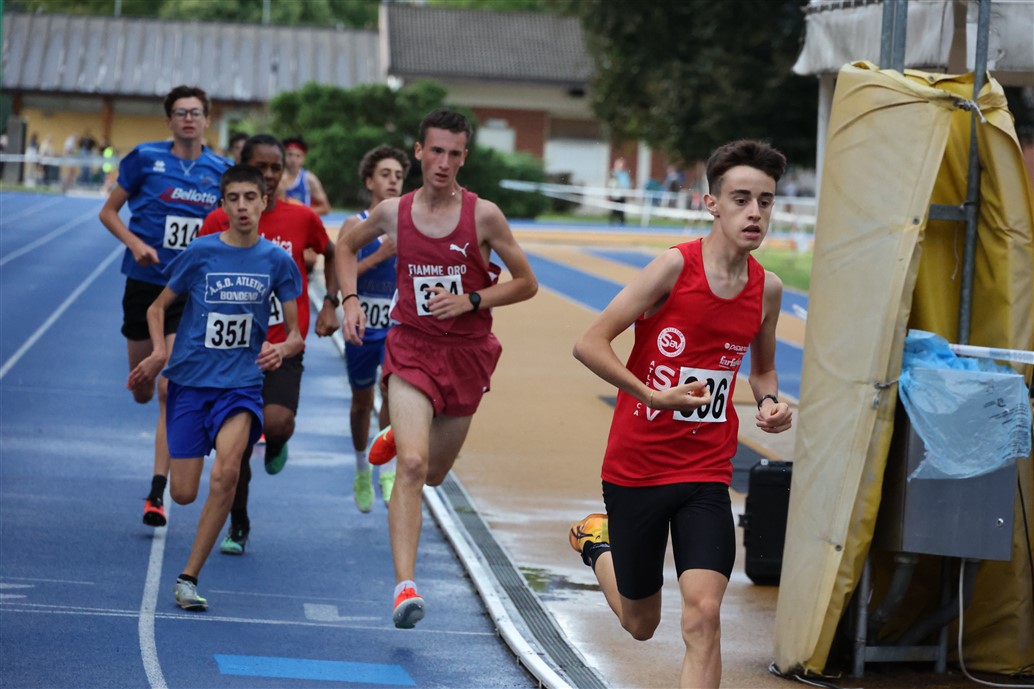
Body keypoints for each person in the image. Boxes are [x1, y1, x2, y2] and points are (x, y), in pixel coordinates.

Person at [568, 139, 794, 689]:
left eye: (765, 201)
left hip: (706, 470)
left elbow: (763, 370)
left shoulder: (767, 289)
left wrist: (770, 402)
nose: (755, 212)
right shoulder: (673, 267)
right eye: (741, 199)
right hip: (638, 466)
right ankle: (597, 542)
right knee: (641, 624)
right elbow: (589, 343)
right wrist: (652, 395)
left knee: (704, 614)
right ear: (710, 203)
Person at [338, 108, 538, 629]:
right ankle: (405, 587)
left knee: (434, 472)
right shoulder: (393, 212)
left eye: (454, 153)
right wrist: (350, 300)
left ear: (463, 157)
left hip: (466, 355)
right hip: (411, 347)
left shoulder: (484, 216)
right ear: (419, 152)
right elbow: (345, 245)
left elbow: (526, 283)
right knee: (411, 466)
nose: (443, 162)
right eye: (436, 151)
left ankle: (398, 433)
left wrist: (472, 299)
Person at [127, 164, 303, 611]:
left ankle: (188, 578)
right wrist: (160, 353)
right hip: (190, 382)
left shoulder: (277, 261)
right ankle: (183, 485)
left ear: (264, 202)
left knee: (226, 474)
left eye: (251, 197)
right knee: (184, 493)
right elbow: (157, 307)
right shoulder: (201, 251)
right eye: (234, 198)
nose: (243, 206)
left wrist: (281, 350)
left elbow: (296, 334)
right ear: (223, 205)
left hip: (241, 385)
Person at [198, 134, 340, 554]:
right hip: (233, 350)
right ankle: (238, 522)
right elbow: (197, 274)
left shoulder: (301, 217)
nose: (270, 175)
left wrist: (330, 303)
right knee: (236, 449)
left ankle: (277, 442)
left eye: (276, 167)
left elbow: (332, 252)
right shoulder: (217, 221)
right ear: (243, 169)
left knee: (276, 423)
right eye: (261, 167)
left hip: (283, 345)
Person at [99, 85, 230, 529]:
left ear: (207, 120)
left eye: (195, 112)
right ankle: (144, 386)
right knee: (143, 388)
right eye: (180, 112)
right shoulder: (145, 159)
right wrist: (135, 243)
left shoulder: (220, 171)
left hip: (187, 292)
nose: (188, 119)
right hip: (145, 283)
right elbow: (108, 212)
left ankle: (157, 491)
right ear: (169, 120)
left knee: (168, 389)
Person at [335, 145, 410, 513]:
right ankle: (361, 468)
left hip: (396, 327)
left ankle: (386, 470)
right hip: (363, 325)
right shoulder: (355, 225)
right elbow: (341, 273)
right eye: (385, 174)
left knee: (393, 392)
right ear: (369, 182)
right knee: (361, 402)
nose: (393, 181)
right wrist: (380, 256)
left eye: (398, 175)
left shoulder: (411, 224)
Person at [281, 136, 331, 215]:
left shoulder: (309, 179)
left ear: (304, 158)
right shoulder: (275, 178)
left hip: (301, 220)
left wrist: (300, 212)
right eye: (290, 154)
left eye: (298, 156)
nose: (293, 159)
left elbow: (325, 208)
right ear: (283, 155)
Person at [608, 157, 632, 225]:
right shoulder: (613, 173)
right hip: (615, 195)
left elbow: (627, 184)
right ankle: (612, 224)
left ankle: (622, 224)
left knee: (621, 212)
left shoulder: (625, 174)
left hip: (622, 195)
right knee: (614, 211)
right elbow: (611, 184)